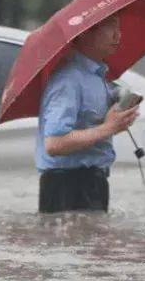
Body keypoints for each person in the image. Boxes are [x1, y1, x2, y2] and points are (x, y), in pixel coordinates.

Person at [36, 15, 139, 213]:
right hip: (66, 186)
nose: (118, 35)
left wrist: (117, 124)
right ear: (85, 33)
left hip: (93, 181)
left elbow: (92, 131)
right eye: (110, 27)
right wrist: (108, 128)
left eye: (119, 27)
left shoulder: (98, 77)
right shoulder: (68, 80)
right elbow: (54, 143)